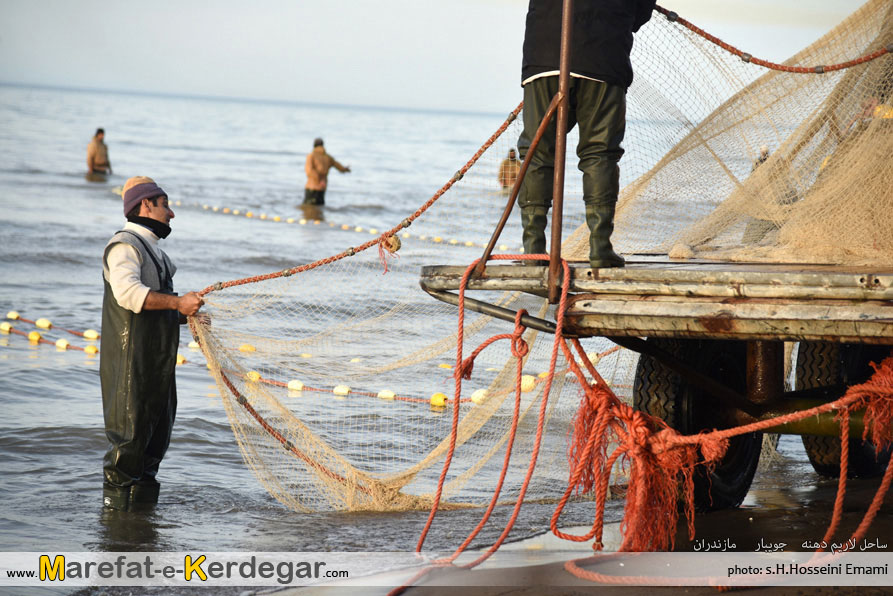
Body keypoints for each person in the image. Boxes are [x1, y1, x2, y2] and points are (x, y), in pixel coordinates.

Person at [516, 0, 655, 269]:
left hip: (545, 54)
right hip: (604, 56)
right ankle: (600, 248)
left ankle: (533, 250)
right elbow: (641, 12)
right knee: (600, 154)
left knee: (537, 153)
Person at [100, 175, 204, 511]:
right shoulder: (124, 247)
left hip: (158, 366)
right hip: (131, 366)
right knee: (128, 449)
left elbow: (155, 308)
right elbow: (129, 295)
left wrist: (187, 316)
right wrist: (178, 303)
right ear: (145, 204)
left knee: (153, 450)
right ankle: (114, 527)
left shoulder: (155, 252)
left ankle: (142, 527)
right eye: (165, 205)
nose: (171, 214)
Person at [303, 137, 350, 205]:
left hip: (312, 187)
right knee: (320, 207)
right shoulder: (327, 157)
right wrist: (345, 169)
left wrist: (319, 180)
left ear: (314, 145)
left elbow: (309, 171)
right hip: (323, 187)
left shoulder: (311, 156)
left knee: (308, 207)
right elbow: (338, 166)